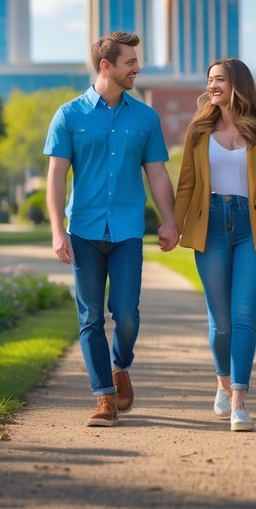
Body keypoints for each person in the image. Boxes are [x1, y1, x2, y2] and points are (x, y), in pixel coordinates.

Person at [45, 31, 180, 427]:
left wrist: (169, 221)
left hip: (126, 233)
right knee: (90, 318)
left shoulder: (146, 117)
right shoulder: (69, 115)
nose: (137, 68)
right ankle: (104, 397)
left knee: (126, 315)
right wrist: (58, 230)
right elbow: (56, 176)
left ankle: (121, 366)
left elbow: (157, 174)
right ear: (106, 66)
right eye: (129, 62)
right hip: (83, 231)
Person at [172, 57, 256, 431]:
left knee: (242, 316)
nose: (212, 86)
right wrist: (173, 227)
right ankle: (222, 382)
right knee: (221, 322)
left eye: (219, 79)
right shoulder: (198, 132)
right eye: (209, 80)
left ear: (237, 83)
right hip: (210, 227)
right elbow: (187, 185)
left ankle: (239, 401)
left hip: (251, 229)